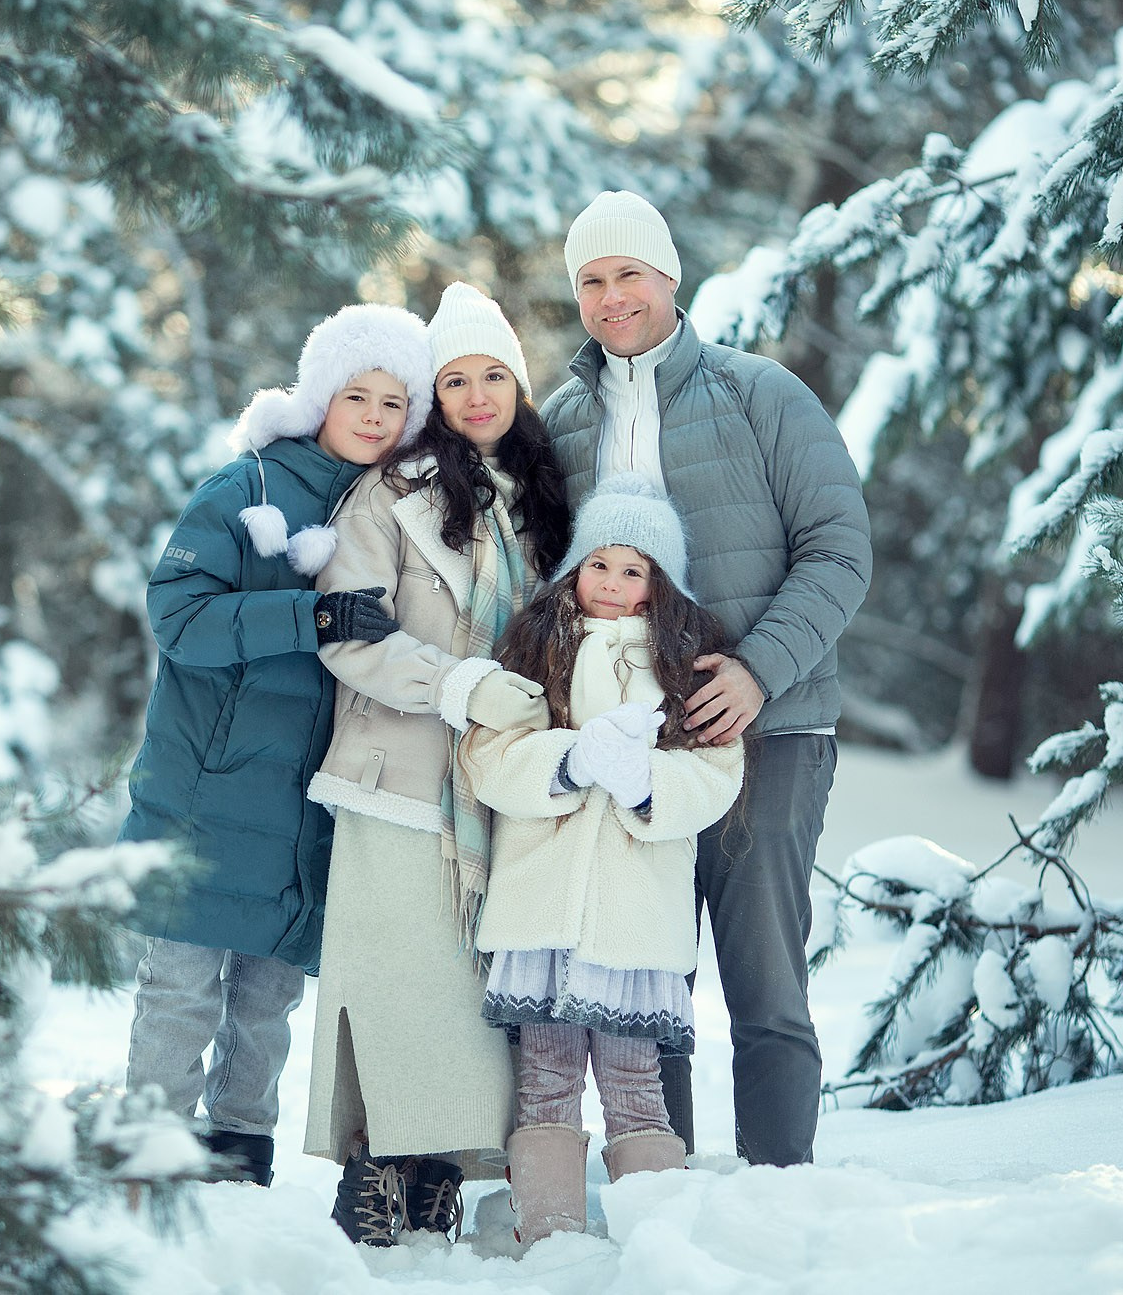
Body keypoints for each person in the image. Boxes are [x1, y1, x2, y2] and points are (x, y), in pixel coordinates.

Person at [539, 190, 872, 1167]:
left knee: (764, 982)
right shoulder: (560, 424)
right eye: (591, 282)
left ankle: (778, 1192)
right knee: (649, 983)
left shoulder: (758, 393)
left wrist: (759, 671)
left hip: (766, 734)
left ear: (667, 276)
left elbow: (838, 549)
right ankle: (664, 1189)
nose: (610, 298)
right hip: (638, 749)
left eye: (626, 275)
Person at [122, 304, 435, 1188]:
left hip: (308, 799)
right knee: (182, 979)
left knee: (269, 992)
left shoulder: (393, 506)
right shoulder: (246, 486)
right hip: (209, 785)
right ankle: (148, 1145)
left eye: (393, 401)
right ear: (319, 397)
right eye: (356, 395)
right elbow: (177, 617)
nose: (373, 416)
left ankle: (238, 1144)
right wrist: (311, 615)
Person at [302, 282, 572, 1245]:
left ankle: (441, 1167)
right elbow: (352, 634)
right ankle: (373, 1168)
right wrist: (460, 687)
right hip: (396, 772)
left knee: (466, 995)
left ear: (518, 384)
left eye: (493, 374)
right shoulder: (391, 493)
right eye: (454, 379)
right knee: (395, 984)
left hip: (498, 784)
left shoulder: (543, 502)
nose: (477, 394)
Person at [461, 474, 745, 1245]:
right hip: (542, 910)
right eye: (601, 564)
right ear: (574, 568)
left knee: (633, 1079)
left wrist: (645, 778)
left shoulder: (685, 665)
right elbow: (488, 758)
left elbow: (718, 776)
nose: (614, 584)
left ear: (661, 585)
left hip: (631, 918)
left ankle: (658, 1235)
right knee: (545, 1078)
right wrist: (571, 759)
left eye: (636, 569)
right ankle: (548, 1236)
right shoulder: (533, 645)